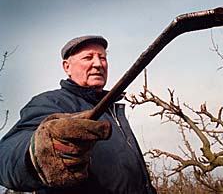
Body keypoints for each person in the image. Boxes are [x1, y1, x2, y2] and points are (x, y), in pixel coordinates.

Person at [0, 35, 157, 194]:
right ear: (67, 67)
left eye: (102, 58)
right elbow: (5, 156)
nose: (98, 64)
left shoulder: (112, 111)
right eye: (88, 57)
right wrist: (33, 155)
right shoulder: (51, 102)